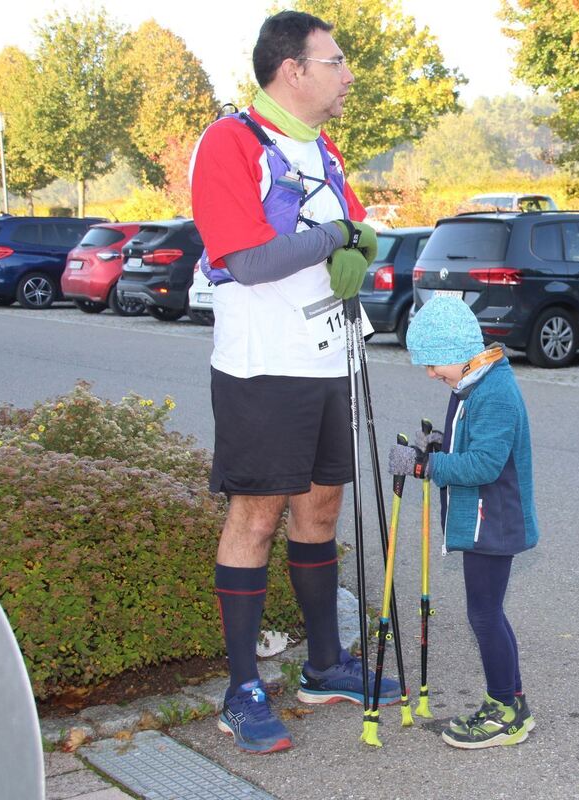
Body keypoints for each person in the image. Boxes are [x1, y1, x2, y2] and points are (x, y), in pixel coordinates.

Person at [189, 10, 397, 755]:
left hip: (329, 357)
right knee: (257, 515)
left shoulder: (323, 148)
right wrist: (337, 239)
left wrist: (357, 242)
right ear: (293, 69)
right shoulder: (230, 143)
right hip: (263, 365)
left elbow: (359, 227)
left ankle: (323, 665)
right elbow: (246, 259)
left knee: (321, 508)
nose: (346, 75)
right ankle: (241, 688)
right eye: (334, 61)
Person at [387, 296, 539, 749]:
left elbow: (484, 465)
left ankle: (504, 713)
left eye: (433, 363)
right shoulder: (474, 381)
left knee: (485, 614)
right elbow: (464, 441)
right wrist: (436, 444)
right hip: (484, 519)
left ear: (457, 350)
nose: (431, 373)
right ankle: (512, 704)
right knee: (489, 612)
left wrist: (423, 466)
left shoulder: (494, 392)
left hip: (494, 521)